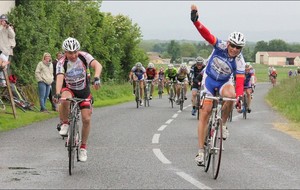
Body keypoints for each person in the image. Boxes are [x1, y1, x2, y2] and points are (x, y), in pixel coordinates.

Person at [190, 4, 246, 166]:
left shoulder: (240, 61)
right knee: (205, 112)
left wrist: (239, 97)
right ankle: (200, 151)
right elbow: (207, 35)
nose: (235, 49)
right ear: (228, 43)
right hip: (209, 80)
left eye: (238, 47)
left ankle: (223, 123)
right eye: (233, 45)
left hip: (224, 82)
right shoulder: (220, 45)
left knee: (231, 96)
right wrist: (196, 21)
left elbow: (240, 82)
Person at [53, 37, 102, 162]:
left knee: (86, 119)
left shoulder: (84, 56)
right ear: (65, 52)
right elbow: (59, 78)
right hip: (69, 88)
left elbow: (97, 65)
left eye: (75, 52)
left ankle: (83, 148)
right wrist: (57, 93)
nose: (73, 55)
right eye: (70, 53)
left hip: (83, 90)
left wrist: (96, 77)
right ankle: (65, 122)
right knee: (64, 99)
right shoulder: (61, 62)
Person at [0, 14, 15, 87]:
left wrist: (8, 27)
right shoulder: (0, 29)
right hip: (2, 49)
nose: (2, 22)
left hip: (5, 50)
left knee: (3, 64)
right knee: (3, 65)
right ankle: (2, 80)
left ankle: (3, 80)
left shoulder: (8, 28)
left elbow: (12, 36)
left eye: (4, 21)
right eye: (1, 21)